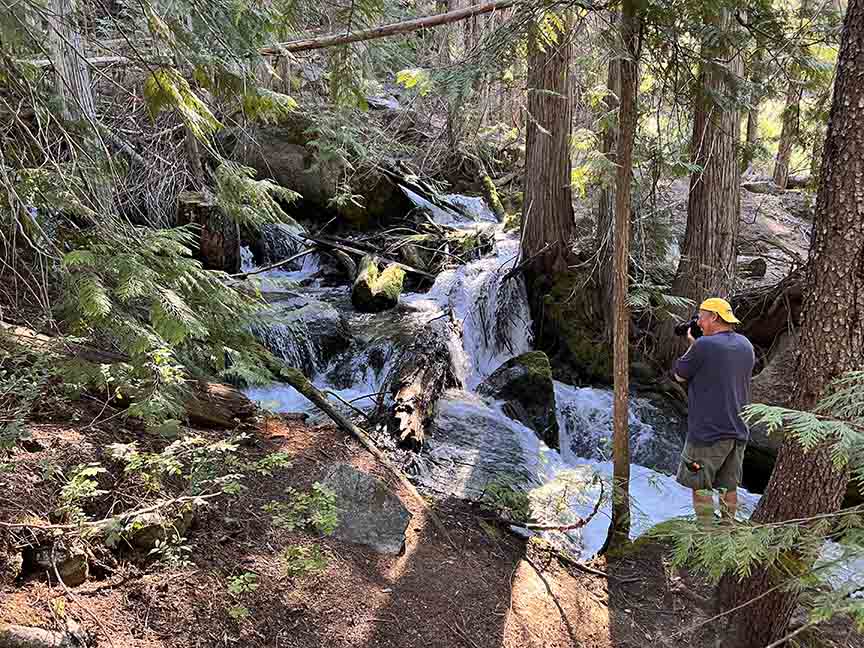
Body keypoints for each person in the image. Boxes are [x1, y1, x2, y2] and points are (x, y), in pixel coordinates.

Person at [673, 297, 755, 522]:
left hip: (707, 433)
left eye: (700, 316)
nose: (698, 322)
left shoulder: (704, 345)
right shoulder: (746, 345)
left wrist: (693, 345)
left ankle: (706, 537)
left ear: (714, 317)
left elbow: (680, 374)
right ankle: (727, 530)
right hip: (737, 429)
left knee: (701, 488)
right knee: (729, 487)